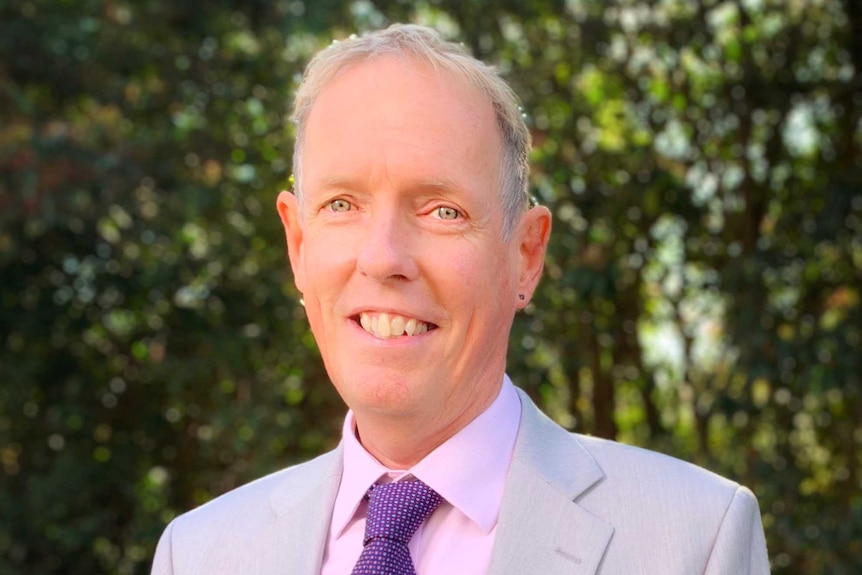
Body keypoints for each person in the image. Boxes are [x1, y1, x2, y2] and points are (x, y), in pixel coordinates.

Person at [151, 23, 769, 575]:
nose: (384, 257)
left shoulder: (695, 540)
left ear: (525, 255)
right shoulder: (199, 553)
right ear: (297, 244)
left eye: (442, 210)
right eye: (342, 205)